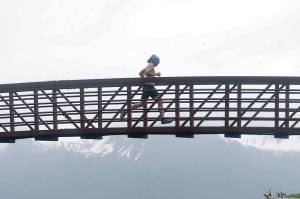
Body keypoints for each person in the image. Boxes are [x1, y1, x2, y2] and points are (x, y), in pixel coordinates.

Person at [120, 54, 173, 124]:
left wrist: (144, 80)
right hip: (149, 88)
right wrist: (156, 74)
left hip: (148, 87)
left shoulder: (149, 65)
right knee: (159, 101)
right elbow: (146, 72)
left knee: (142, 104)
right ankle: (163, 118)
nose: (159, 62)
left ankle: (126, 110)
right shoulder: (151, 65)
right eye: (158, 61)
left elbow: (140, 73)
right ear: (155, 60)